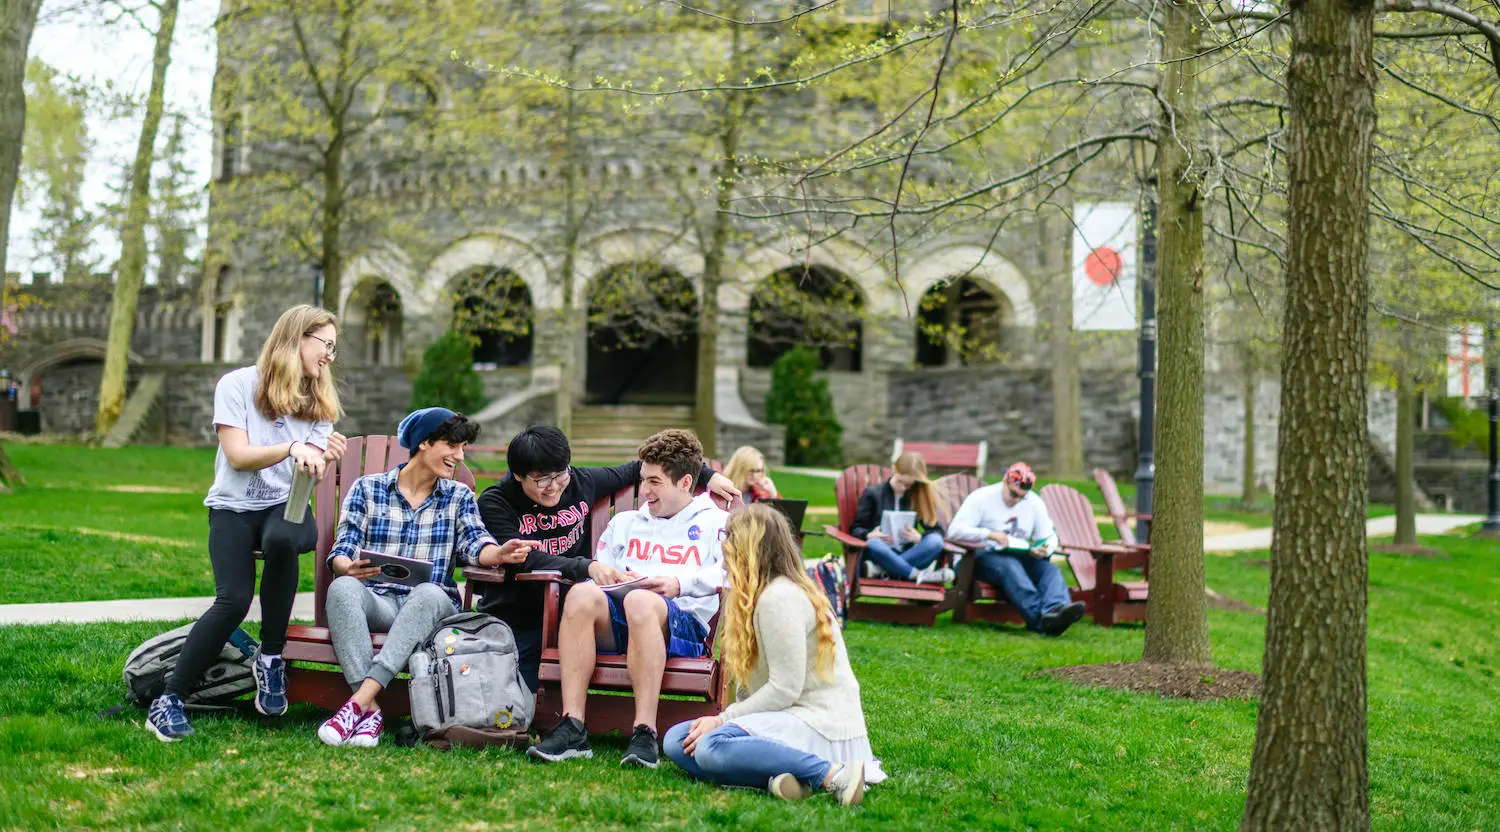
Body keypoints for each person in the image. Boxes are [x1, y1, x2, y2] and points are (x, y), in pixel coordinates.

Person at [146, 305, 348, 742]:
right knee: (232, 601)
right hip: (232, 507)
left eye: (334, 347)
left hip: (284, 506)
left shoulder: (319, 402)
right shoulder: (237, 385)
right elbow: (237, 455)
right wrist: (293, 445)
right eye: (325, 344)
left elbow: (302, 476)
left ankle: (271, 658)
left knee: (282, 539)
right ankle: (169, 700)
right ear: (297, 337)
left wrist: (320, 459)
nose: (330, 355)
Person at [315, 408, 537, 747]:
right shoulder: (368, 488)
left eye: (462, 448)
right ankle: (371, 710)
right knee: (342, 588)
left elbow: (477, 545)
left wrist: (501, 554)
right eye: (452, 445)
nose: (458, 457)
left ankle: (357, 703)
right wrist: (347, 567)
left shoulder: (457, 496)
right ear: (424, 443)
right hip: (379, 602)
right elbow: (342, 549)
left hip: (430, 613)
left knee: (430, 592)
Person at [475, 425, 738, 690]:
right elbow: (526, 559)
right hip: (519, 611)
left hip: (580, 609)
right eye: (542, 479)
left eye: (560, 475)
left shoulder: (581, 481)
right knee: (516, 696)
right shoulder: (497, 503)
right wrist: (587, 567)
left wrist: (705, 475)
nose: (554, 487)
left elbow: (644, 467)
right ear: (518, 476)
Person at [526, 429, 729, 769]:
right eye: (642, 480)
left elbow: (730, 571)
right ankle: (573, 726)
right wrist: (613, 577)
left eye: (654, 482)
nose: (644, 490)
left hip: (683, 629)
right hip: (622, 621)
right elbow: (603, 568)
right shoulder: (625, 523)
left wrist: (679, 583)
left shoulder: (717, 523)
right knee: (580, 594)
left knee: (641, 602)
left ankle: (645, 731)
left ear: (685, 483)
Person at [662, 503, 879, 807]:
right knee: (676, 740)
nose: (722, 546)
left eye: (729, 538)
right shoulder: (752, 594)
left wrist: (724, 720)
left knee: (711, 746)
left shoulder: (780, 597)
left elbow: (785, 689)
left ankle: (833, 775)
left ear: (749, 547)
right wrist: (726, 721)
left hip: (818, 721)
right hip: (784, 715)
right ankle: (784, 780)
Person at [946, 462, 1087, 636]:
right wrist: (990, 534)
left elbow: (1049, 535)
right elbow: (954, 531)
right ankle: (1041, 621)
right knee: (1010, 567)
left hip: (1018, 554)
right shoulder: (982, 498)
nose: (1017, 500)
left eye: (1022, 496)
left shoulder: (1034, 502)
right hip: (979, 557)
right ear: (1005, 480)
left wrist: (1044, 548)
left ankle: (1056, 609)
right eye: (1013, 494)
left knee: (1049, 569)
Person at [849, 452, 953, 585]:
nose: (904, 488)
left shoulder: (917, 496)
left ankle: (883, 571)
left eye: (909, 485)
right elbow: (855, 529)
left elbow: (937, 531)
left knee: (936, 541)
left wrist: (919, 538)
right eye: (901, 482)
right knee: (874, 543)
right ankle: (918, 575)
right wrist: (869, 535)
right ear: (894, 469)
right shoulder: (873, 493)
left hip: (908, 552)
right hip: (881, 553)